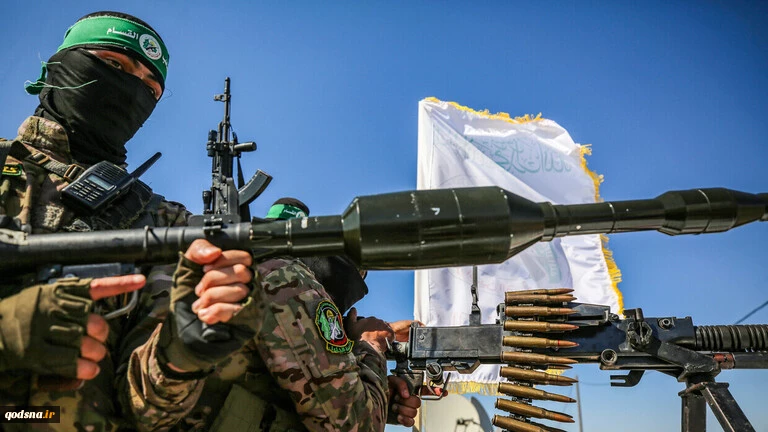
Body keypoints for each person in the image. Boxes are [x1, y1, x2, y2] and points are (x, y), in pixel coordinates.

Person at [0, 11, 253, 430]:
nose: (131, 89)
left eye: (150, 89)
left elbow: (146, 411)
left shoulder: (162, 221)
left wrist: (180, 355)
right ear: (60, 66)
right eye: (114, 65)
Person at [120, 198, 422, 431]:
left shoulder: (201, 263)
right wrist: (371, 347)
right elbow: (356, 425)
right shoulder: (289, 279)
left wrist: (374, 384)